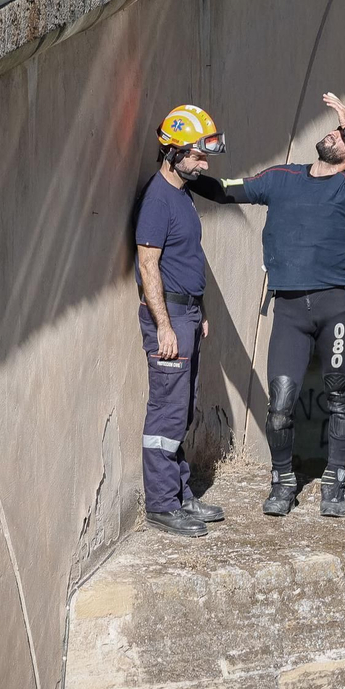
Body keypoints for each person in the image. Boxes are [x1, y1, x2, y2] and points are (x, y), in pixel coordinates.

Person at [188, 92, 345, 518]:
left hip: (335, 308)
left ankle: (335, 480)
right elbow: (225, 191)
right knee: (279, 404)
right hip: (290, 311)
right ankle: (283, 481)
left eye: (344, 138)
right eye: (334, 131)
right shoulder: (283, 177)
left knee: (337, 394)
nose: (334, 134)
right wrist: (180, 171)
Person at [133, 105, 230, 537]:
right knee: (166, 416)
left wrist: (201, 309)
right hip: (168, 316)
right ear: (172, 152)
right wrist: (165, 326)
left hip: (187, 312)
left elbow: (187, 259)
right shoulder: (157, 200)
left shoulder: (182, 194)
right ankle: (160, 505)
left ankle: (180, 494)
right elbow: (148, 266)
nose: (204, 164)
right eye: (197, 155)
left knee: (184, 409)